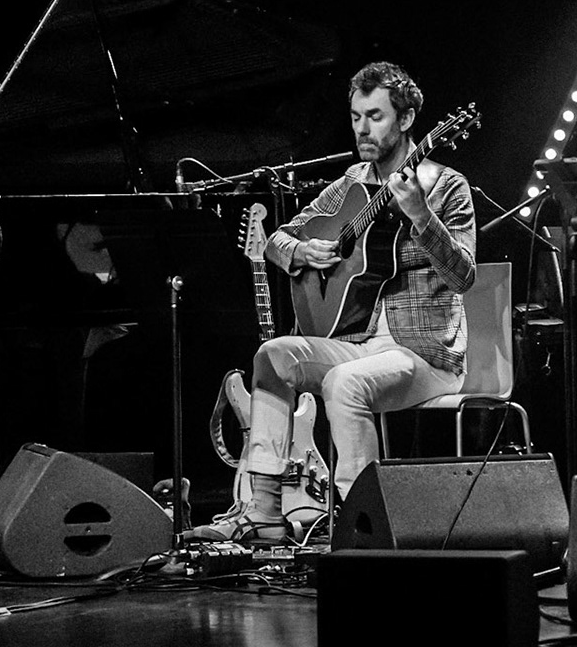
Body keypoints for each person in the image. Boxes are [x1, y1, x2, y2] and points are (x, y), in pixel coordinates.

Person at [188, 62, 477, 543]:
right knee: (274, 355)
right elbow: (279, 238)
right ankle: (261, 511)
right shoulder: (350, 184)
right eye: (356, 116)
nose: (363, 129)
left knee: (344, 382)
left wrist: (421, 216)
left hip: (424, 353)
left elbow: (464, 276)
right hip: (356, 341)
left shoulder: (445, 186)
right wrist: (302, 251)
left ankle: (357, 525)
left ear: (405, 121)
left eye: (376, 116)